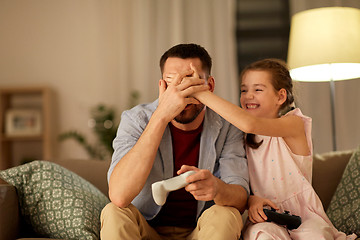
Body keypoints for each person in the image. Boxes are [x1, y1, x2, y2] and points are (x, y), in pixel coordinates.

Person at [192, 58, 357, 239]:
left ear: (280, 96)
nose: (248, 96)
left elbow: (250, 124)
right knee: (262, 235)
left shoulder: (293, 123)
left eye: (258, 89)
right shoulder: (239, 138)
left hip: (304, 216)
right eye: (244, 90)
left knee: (315, 234)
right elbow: (240, 182)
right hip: (266, 217)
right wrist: (251, 200)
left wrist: (200, 92)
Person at [100, 43, 249, 240]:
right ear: (162, 86)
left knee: (226, 214)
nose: (181, 93)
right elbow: (119, 195)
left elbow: (240, 199)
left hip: (200, 231)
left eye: (190, 83)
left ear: (209, 86)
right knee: (113, 212)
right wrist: (161, 116)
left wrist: (217, 188)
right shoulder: (136, 119)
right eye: (173, 84)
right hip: (147, 229)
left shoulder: (229, 125)